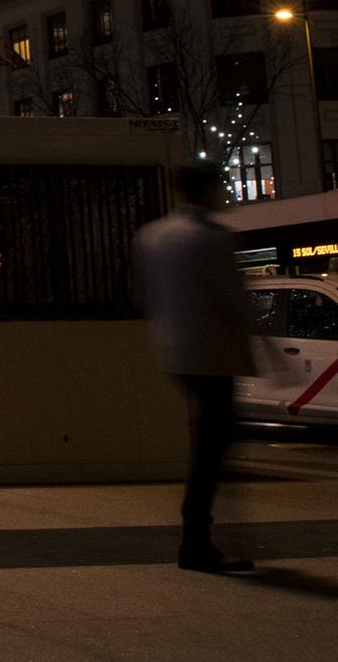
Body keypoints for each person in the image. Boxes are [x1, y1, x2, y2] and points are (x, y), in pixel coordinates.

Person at [135, 165, 276, 573]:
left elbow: (145, 297)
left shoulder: (152, 236)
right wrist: (266, 350)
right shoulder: (212, 238)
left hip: (175, 354)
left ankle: (203, 535)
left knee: (208, 446)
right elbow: (235, 301)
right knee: (211, 453)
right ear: (208, 189)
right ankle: (196, 540)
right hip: (214, 356)